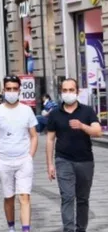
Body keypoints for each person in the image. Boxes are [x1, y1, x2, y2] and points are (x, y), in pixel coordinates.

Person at [46, 78, 102, 232]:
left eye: (71, 90)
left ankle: (81, 229)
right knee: (67, 197)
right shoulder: (55, 113)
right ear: (61, 92)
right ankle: (69, 229)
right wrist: (50, 164)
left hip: (85, 161)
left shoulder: (87, 111)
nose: (68, 93)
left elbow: (98, 132)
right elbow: (50, 140)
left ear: (77, 92)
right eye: (65, 90)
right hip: (63, 160)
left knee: (83, 199)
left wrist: (83, 126)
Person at [0, 75, 38, 232]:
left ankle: (25, 229)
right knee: (9, 197)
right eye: (8, 89)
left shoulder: (27, 110)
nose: (11, 92)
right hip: (4, 160)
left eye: (15, 89)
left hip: (24, 160)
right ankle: (11, 227)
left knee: (24, 196)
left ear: (19, 90)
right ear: (3, 90)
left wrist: (30, 156)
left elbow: (34, 135)